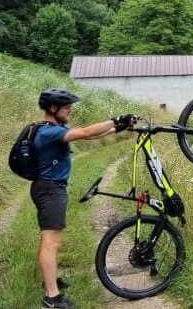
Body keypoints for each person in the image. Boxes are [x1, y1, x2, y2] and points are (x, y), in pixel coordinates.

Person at [32, 88, 136, 309]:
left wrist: (116, 127)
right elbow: (87, 132)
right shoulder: (49, 133)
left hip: (48, 188)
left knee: (49, 239)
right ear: (53, 108)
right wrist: (115, 119)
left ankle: (50, 281)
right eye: (66, 106)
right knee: (51, 242)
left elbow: (91, 136)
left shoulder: (52, 129)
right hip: (51, 189)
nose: (70, 109)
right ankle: (52, 298)